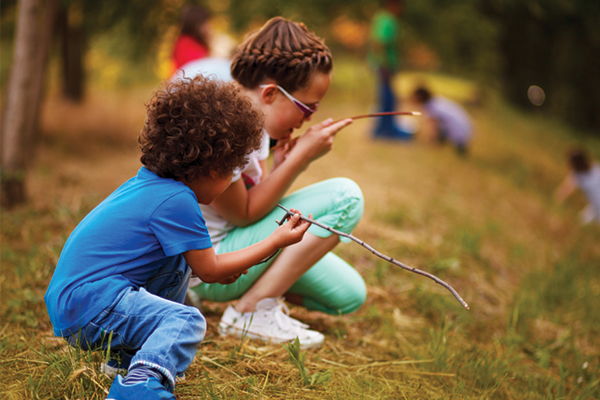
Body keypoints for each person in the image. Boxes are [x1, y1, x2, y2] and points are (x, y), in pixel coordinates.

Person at [44, 76, 312, 400]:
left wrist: (221, 268)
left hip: (77, 302)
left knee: (177, 265)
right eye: (233, 171)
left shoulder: (153, 185)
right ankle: (138, 389)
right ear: (215, 167)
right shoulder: (177, 201)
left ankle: (126, 364)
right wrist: (275, 241)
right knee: (186, 320)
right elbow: (211, 269)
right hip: (90, 305)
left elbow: (201, 266)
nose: (232, 182)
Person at [188, 17, 366, 349]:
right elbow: (243, 214)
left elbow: (251, 198)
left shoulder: (257, 126)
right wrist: (300, 161)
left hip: (238, 248)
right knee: (347, 197)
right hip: (213, 265)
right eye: (307, 107)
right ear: (270, 93)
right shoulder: (227, 129)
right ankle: (252, 311)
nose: (308, 118)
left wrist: (280, 165)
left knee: (348, 295)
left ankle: (261, 297)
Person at [368, 0, 412, 139]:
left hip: (381, 65)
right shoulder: (388, 20)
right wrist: (384, 64)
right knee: (388, 99)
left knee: (385, 97)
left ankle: (384, 129)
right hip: (385, 66)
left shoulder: (380, 17)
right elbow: (381, 41)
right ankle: (385, 130)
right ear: (395, 5)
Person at [411, 86, 473, 155]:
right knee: (443, 125)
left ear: (420, 97)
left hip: (459, 133)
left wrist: (432, 142)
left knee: (439, 128)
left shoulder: (431, 107)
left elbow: (433, 127)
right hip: (467, 128)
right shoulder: (437, 100)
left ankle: (453, 146)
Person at [554, 148, 600, 225]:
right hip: (595, 206)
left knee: (582, 222)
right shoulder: (595, 167)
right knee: (582, 220)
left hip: (596, 206)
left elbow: (564, 191)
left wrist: (557, 201)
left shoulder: (578, 176)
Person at [172, 5, 211, 72]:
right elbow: (197, 65)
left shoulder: (198, 42)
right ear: (196, 24)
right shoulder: (185, 42)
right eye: (205, 23)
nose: (208, 27)